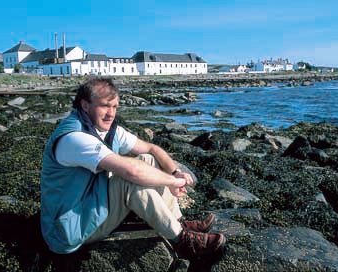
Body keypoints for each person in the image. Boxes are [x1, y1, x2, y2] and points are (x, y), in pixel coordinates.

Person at [40, 77, 226, 259]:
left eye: (114, 107)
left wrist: (175, 172)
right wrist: (173, 181)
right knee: (129, 178)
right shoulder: (74, 138)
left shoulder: (105, 129)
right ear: (85, 105)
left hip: (91, 204)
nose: (111, 114)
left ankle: (177, 222)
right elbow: (132, 172)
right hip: (67, 230)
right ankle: (183, 242)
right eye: (105, 106)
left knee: (147, 159)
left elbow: (152, 149)